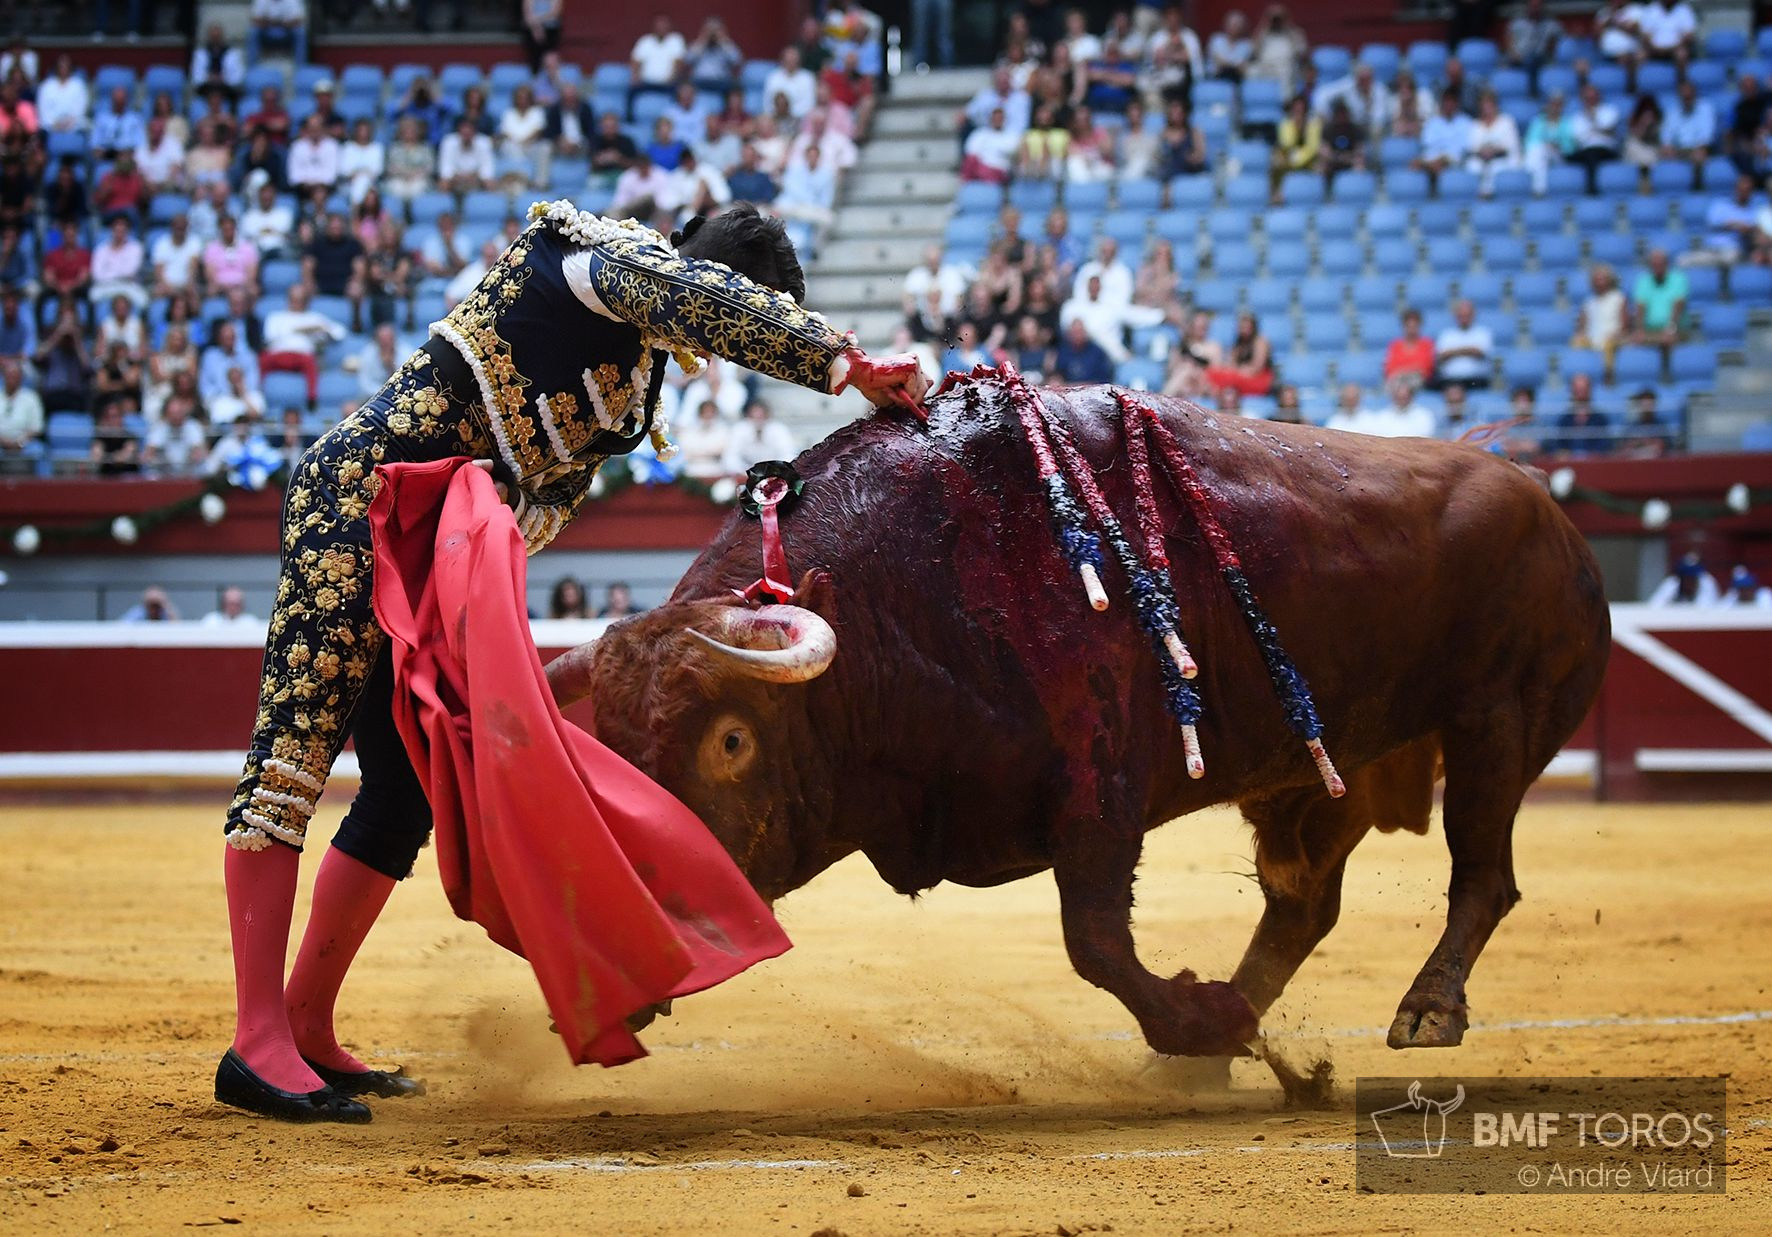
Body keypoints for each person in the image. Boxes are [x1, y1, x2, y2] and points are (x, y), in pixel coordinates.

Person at [214, 202, 928, 1124]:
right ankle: (255, 1039)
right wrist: (844, 363)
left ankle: (306, 1024)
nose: (706, 350)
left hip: (430, 554)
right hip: (357, 504)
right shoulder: (597, 263)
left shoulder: (633, 385)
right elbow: (686, 294)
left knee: (405, 791)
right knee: (292, 760)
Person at [1698, 173, 1767, 266]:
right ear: (1735, 189)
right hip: (1709, 250)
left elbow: (1757, 234)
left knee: (1729, 258)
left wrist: (1749, 231)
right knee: (1683, 260)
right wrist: (1734, 225)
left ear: (1751, 192)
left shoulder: (1754, 213)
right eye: (1740, 189)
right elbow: (1712, 221)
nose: (1743, 193)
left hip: (1732, 251)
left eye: (1747, 190)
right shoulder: (1719, 205)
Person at [1203, 310, 1274, 397]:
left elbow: (1257, 367)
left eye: (1246, 326)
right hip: (1241, 376)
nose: (1243, 329)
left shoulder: (1260, 341)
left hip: (1259, 379)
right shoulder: (1238, 344)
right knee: (1213, 373)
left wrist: (1239, 370)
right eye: (1241, 326)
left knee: (1227, 379)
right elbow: (1231, 364)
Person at [1464, 90, 1520, 196]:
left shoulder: (1506, 121)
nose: (1486, 107)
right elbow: (1472, 147)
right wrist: (1483, 151)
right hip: (1481, 159)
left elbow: (1511, 146)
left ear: (1495, 105)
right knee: (1472, 166)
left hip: (1502, 159)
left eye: (1489, 104)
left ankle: (1491, 197)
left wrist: (1494, 151)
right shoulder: (1475, 125)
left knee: (1495, 168)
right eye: (1484, 104)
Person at [1543, 372, 1616, 455]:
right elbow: (1556, 445)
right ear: (1572, 391)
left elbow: (1606, 445)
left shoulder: (1601, 419)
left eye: (1584, 389)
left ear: (1590, 390)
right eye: (1577, 389)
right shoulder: (1564, 420)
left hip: (1595, 463)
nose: (1581, 393)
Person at [1570, 82, 1622, 194]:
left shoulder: (1609, 111)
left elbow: (1609, 130)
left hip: (1606, 149)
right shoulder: (1577, 117)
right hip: (1585, 150)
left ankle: (1592, 188)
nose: (1590, 101)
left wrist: (1593, 120)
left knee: (1593, 153)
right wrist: (1598, 129)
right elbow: (1578, 138)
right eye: (1587, 98)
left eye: (1593, 97)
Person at [1432, 299, 1493, 390]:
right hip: (1450, 379)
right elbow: (1441, 356)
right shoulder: (1446, 335)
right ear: (1456, 316)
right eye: (1461, 316)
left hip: (1476, 379)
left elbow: (1479, 353)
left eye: (1467, 315)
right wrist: (1468, 350)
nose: (1464, 318)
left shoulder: (1483, 333)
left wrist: (1454, 352)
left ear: (1473, 315)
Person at [1631, 247, 1687, 345]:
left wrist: (1671, 329)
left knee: (1670, 340)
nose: (1657, 267)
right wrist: (1639, 329)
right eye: (1654, 264)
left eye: (1660, 264)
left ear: (1666, 264)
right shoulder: (1643, 281)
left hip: (1676, 329)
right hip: (1651, 330)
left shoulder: (1678, 279)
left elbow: (1678, 305)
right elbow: (1640, 307)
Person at [144, 394, 209, 477]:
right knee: (150, 474)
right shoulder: (159, 428)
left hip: (189, 471)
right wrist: (154, 455)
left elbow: (200, 449)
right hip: (164, 472)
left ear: (183, 413)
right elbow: (149, 452)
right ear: (167, 414)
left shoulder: (193, 426)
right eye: (172, 413)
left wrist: (195, 454)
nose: (176, 416)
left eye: (178, 413)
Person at [1506, 0, 1561, 90]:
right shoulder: (1517, 23)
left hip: (1542, 58)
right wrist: (1514, 55)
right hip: (1519, 59)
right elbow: (1509, 42)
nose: (1535, 9)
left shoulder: (1551, 24)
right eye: (1533, 6)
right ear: (1527, 6)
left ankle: (1534, 90)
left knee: (1533, 60)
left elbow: (1556, 46)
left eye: (1537, 6)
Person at [0, 356, 42, 465]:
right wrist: (4, 442)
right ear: (3, 377)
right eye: (9, 376)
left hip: (26, 444)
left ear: (21, 378)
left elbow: (36, 428)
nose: (12, 379)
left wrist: (19, 443)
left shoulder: (31, 398)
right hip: (0, 443)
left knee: (39, 451)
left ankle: (43, 482)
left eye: (15, 376)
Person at [1384, 308, 1435, 385]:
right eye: (1408, 326)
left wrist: (1404, 370)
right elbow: (1390, 368)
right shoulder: (1395, 345)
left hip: (1418, 381)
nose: (1411, 330)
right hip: (1397, 380)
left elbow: (1426, 368)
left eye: (1414, 326)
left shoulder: (1427, 344)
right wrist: (1411, 369)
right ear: (1403, 327)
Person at [1648, 552, 1719, 605]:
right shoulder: (1672, 583)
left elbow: (1709, 609)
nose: (1689, 580)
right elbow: (1654, 605)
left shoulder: (1706, 582)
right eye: (1685, 577)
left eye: (1692, 577)